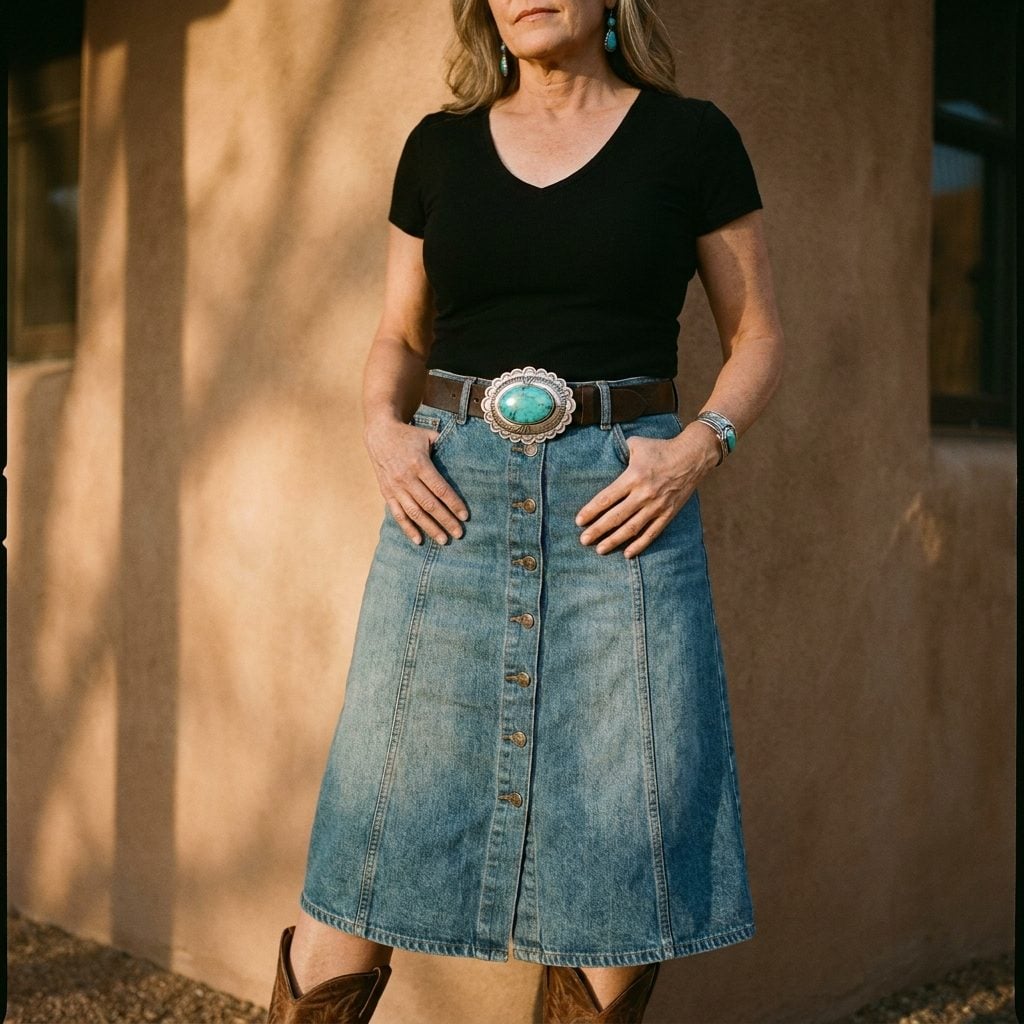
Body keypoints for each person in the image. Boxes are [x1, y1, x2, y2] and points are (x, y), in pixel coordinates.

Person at [268, 0, 784, 1021]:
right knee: (376, 819)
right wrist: (381, 428)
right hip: (449, 507)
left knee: (620, 833)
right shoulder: (438, 147)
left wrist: (697, 449)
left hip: (623, 511)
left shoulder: (691, 139)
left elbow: (759, 336)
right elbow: (399, 332)